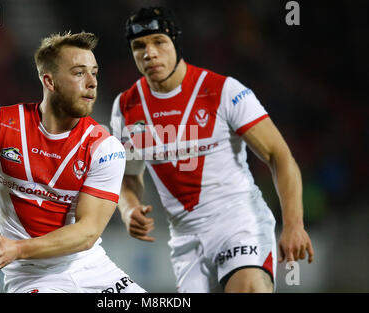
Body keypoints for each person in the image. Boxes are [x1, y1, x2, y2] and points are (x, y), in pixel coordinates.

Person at [110, 7, 314, 293]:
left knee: (249, 288)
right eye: (139, 46)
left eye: (159, 42)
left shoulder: (223, 91)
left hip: (239, 224)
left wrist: (294, 224)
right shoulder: (126, 107)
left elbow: (279, 156)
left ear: (176, 44)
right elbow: (129, 175)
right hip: (185, 240)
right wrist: (128, 207)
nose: (149, 52)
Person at [0, 31, 145, 293]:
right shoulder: (0, 124)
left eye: (94, 73)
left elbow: (87, 232)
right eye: (78, 73)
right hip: (30, 278)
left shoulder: (105, 148)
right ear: (49, 81)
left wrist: (17, 248)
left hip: (93, 270)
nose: (92, 82)